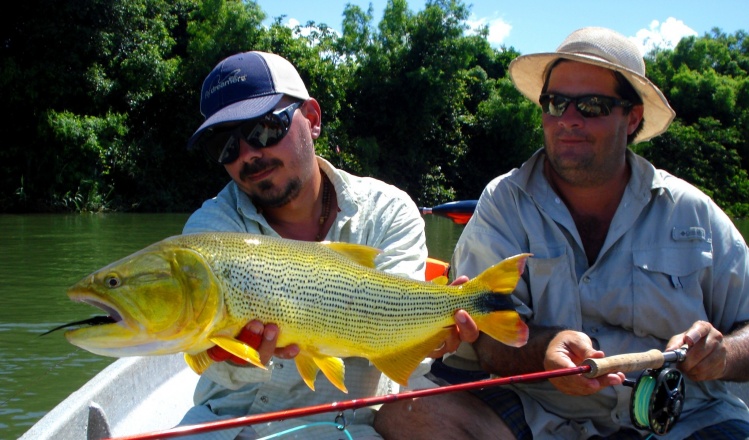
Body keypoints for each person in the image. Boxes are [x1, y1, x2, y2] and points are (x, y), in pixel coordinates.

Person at [375, 27, 749, 439]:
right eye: (555, 103)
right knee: (404, 414)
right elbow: (481, 339)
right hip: (538, 410)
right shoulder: (504, 202)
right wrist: (544, 351)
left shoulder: (693, 212)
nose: (568, 120)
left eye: (591, 106)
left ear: (633, 117)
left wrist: (724, 354)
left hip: (682, 418)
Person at [177, 50, 474, 440]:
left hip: (356, 425)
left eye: (263, 128)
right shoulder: (210, 235)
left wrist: (429, 336)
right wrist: (227, 356)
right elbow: (207, 363)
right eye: (224, 145)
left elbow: (393, 324)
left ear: (312, 119)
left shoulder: (389, 210)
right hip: (231, 425)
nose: (248, 153)